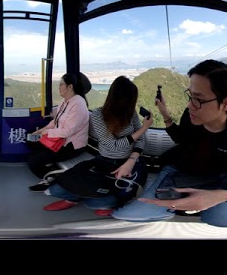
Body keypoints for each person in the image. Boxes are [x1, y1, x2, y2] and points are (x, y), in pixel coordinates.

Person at [111, 59, 227, 228]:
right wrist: (164, 113)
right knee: (127, 216)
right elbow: (181, 138)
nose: (190, 105)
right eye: (190, 96)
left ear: (226, 103)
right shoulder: (191, 117)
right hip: (180, 171)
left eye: (199, 99)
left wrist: (225, 195)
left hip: (220, 177)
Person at [43, 75, 152, 212]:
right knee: (55, 189)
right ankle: (76, 198)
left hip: (129, 161)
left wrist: (131, 160)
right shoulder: (98, 115)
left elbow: (141, 139)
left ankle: (83, 197)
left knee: (93, 203)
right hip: (104, 161)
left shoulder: (131, 113)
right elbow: (113, 145)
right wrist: (144, 128)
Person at [26, 72, 91, 191]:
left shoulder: (78, 105)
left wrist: (45, 133)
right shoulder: (64, 101)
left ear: (70, 87)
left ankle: (53, 179)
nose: (59, 87)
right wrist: (41, 131)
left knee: (32, 162)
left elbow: (67, 132)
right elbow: (55, 122)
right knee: (30, 138)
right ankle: (47, 160)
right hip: (59, 140)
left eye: (61, 84)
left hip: (71, 145)